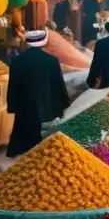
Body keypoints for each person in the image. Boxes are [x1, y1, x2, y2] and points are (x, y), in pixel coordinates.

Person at [6, 29, 69, 158]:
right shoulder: (51, 61)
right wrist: (63, 104)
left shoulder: (17, 61)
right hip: (47, 107)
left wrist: (12, 106)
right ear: (43, 43)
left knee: (24, 140)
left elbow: (13, 86)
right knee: (44, 141)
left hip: (24, 107)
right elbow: (58, 85)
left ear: (27, 43)